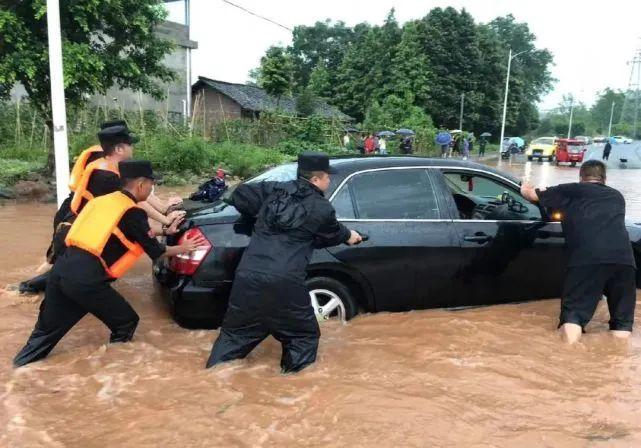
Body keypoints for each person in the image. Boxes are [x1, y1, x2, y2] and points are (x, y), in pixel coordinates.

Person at [13, 160, 205, 367]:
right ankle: (115, 370)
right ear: (141, 184)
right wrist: (185, 249)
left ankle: (19, 369)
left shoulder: (102, 201)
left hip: (60, 272)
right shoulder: (134, 212)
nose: (150, 190)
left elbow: (127, 231)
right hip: (87, 281)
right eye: (151, 186)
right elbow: (156, 251)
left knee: (43, 336)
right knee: (126, 322)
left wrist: (165, 231)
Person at [206, 152, 363, 373]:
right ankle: (292, 388)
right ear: (316, 179)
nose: (330, 180)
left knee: (235, 336)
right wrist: (351, 236)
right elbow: (334, 233)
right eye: (327, 176)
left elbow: (239, 194)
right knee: (303, 336)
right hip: (284, 283)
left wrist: (260, 217)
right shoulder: (321, 207)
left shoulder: (274, 190)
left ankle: (211, 380)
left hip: (248, 277)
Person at [520, 160, 636, 344]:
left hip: (587, 259)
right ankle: (618, 360)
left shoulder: (570, 190)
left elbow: (531, 195)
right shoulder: (616, 196)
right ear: (604, 179)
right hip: (624, 262)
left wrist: (525, 185)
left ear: (581, 176)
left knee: (573, 317)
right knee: (622, 324)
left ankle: (568, 358)